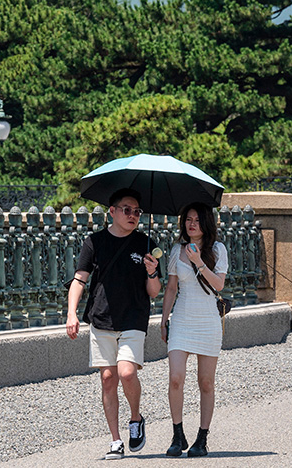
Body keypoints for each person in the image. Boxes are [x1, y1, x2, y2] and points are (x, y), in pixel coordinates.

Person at [66, 189, 161, 460]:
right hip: (101, 317)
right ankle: (116, 441)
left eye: (137, 212)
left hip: (133, 317)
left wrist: (152, 271)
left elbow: (154, 291)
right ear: (112, 211)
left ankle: (135, 418)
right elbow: (80, 278)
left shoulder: (145, 243)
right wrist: (71, 313)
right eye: (127, 210)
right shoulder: (94, 242)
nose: (133, 216)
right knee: (108, 379)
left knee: (127, 373)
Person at [160, 202, 228, 458]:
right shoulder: (177, 251)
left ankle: (202, 438)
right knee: (176, 378)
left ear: (206, 223)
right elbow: (171, 288)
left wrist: (199, 261)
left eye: (197, 220)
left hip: (208, 321)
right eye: (188, 219)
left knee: (206, 382)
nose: (191, 224)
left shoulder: (218, 249)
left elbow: (219, 285)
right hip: (182, 320)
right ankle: (178, 434)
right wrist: (164, 320)